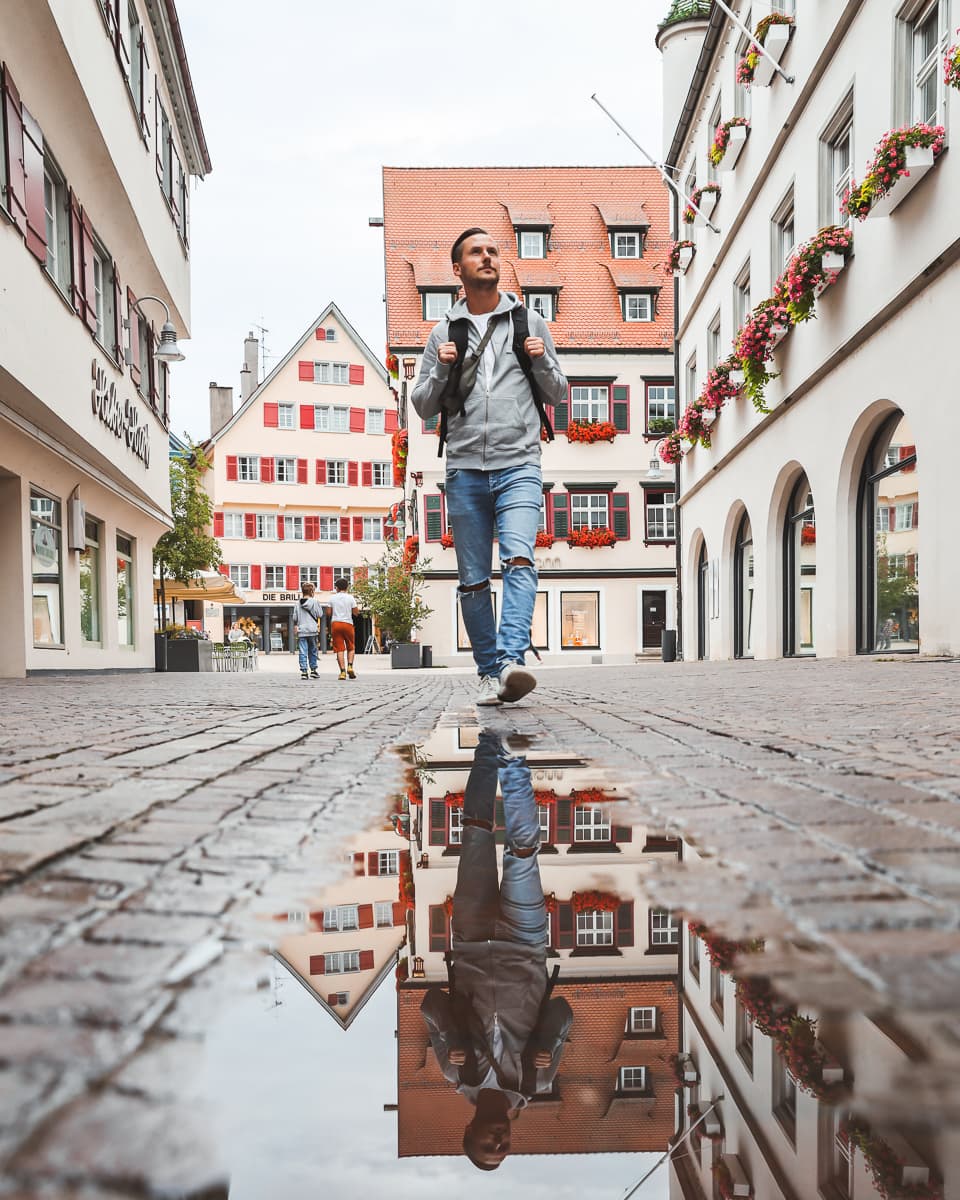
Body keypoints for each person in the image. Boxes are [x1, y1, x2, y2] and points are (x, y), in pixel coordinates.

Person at [410, 228, 567, 707]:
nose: (487, 257)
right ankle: (488, 672)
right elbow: (421, 405)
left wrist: (540, 363)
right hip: (464, 469)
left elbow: (559, 391)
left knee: (520, 558)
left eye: (493, 251)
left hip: (519, 462)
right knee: (474, 578)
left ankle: (512, 660)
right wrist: (440, 367)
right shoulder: (443, 333)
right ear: (458, 269)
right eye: (476, 252)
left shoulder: (530, 323)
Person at [420, 732, 573, 1171]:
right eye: (504, 1148)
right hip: (525, 945)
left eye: (488, 1146)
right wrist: (545, 1042)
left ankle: (489, 743)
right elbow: (562, 1010)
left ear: (469, 1133)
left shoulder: (456, 1074)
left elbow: (431, 1004)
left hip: (469, 939)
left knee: (475, 833)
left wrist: (451, 1040)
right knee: (523, 853)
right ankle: (515, 757)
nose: (499, 1142)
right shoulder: (537, 1079)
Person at [325, 576, 358, 680]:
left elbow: (328, 613)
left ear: (336, 588)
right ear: (347, 587)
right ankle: (350, 666)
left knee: (339, 649)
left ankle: (342, 672)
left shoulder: (332, 598)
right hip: (348, 623)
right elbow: (356, 613)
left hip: (336, 624)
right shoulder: (350, 598)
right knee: (351, 647)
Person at [293, 582, 322, 680]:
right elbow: (320, 614)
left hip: (302, 630)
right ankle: (313, 670)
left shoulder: (297, 603)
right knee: (313, 650)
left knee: (302, 651)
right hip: (312, 630)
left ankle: (304, 671)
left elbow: (295, 617)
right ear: (312, 591)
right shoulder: (315, 602)